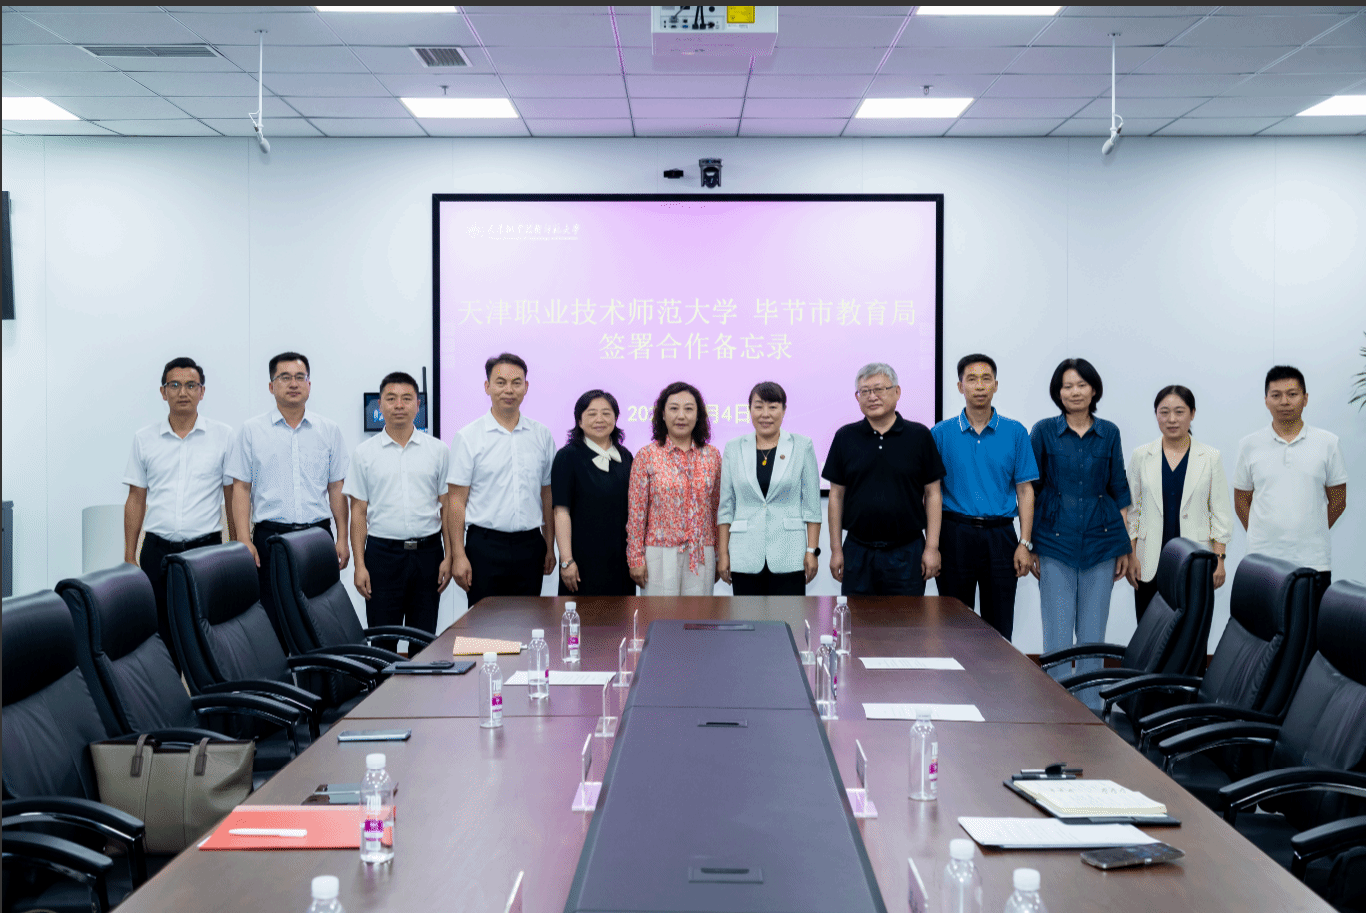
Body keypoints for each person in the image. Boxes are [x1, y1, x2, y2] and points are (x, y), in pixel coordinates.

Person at [1029, 357, 1132, 712]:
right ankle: (1057, 711)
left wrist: (1124, 547)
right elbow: (1031, 490)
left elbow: (1119, 489)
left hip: (1102, 542)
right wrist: (1029, 544)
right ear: (1058, 392)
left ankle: (1091, 713)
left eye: (1081, 385)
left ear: (1094, 390)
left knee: (1092, 636)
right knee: (1057, 635)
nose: (1075, 392)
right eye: (1067, 386)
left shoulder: (1109, 432)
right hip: (1053, 541)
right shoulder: (1044, 431)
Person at [227, 351, 349, 646]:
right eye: (284, 378)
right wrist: (243, 539)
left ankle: (320, 676)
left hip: (317, 536)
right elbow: (241, 488)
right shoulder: (252, 431)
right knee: (272, 620)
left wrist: (342, 538)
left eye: (299, 377)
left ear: (309, 384)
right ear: (271, 386)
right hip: (270, 539)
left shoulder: (329, 430)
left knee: (321, 620)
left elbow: (337, 488)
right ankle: (279, 676)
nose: (293, 384)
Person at [123, 357, 235, 666]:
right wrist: (129, 555)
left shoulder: (224, 436)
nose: (182, 392)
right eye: (174, 385)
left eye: (190, 385)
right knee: (159, 639)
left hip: (206, 551)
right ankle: (166, 695)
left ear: (202, 391)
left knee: (206, 639)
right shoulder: (144, 439)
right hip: (157, 551)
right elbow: (136, 498)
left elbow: (231, 495)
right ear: (163, 392)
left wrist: (236, 545)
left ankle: (205, 696)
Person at [930, 354, 1038, 639]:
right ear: (960, 386)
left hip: (1000, 537)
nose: (979, 386)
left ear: (996, 385)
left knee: (999, 626)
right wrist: (932, 545)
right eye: (972, 379)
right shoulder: (940, 433)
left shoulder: (1015, 432)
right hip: (954, 536)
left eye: (986, 379)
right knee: (953, 626)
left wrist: (1024, 543)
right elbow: (931, 493)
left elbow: (1025, 490)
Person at [344, 371, 452, 653]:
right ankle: (384, 685)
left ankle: (421, 684)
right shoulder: (364, 454)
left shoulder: (438, 451)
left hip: (428, 555)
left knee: (423, 640)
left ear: (418, 405)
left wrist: (450, 555)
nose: (399, 405)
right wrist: (359, 565)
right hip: (382, 556)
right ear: (380, 405)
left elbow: (447, 508)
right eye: (391, 399)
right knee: (382, 642)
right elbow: (358, 512)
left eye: (407, 398)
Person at [823, 362, 945, 597]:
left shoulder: (919, 436)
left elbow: (933, 494)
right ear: (857, 398)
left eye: (879, 389)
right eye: (865, 391)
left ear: (897, 392)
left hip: (907, 551)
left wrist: (932, 547)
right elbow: (836, 496)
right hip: (857, 550)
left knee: (906, 618)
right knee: (858, 618)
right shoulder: (845, 437)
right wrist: (836, 549)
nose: (872, 397)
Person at [446, 353, 556, 608]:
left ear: (526, 387)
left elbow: (547, 495)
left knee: (529, 620)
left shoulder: (541, 435)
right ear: (487, 386)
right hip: (484, 547)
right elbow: (456, 500)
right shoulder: (468, 437)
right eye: (501, 382)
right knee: (484, 625)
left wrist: (549, 546)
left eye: (516, 383)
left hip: (530, 546)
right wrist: (459, 555)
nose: (509, 390)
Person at [1233, 366, 1348, 608]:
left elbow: (1338, 500)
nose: (1284, 402)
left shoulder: (1328, 443)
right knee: (1262, 627)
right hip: (1261, 561)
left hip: (1313, 562)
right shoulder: (1249, 445)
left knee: (1309, 627)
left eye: (1292, 394)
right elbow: (1241, 500)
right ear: (1266, 401)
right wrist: (1262, 533)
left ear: (1305, 398)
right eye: (1276, 395)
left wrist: (1311, 529)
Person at [1125, 385, 1232, 619]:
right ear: (1156, 415)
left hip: (1196, 561)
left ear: (1192, 413)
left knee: (1192, 634)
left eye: (1179, 412)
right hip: (1148, 563)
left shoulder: (1210, 457)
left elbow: (1220, 513)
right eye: (1164, 412)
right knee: (1150, 634)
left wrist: (1220, 559)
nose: (1171, 419)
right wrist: (1131, 555)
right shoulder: (1141, 455)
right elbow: (1132, 511)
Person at [717, 382, 822, 596]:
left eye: (773, 407)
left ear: (784, 410)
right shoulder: (733, 448)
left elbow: (812, 506)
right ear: (749, 410)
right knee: (746, 615)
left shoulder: (802, 446)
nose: (765, 414)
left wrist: (812, 550)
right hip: (744, 554)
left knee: (789, 614)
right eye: (758, 406)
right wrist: (724, 553)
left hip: (789, 553)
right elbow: (726, 507)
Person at [626, 381, 723, 596]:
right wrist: (635, 557)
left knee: (698, 616)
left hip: (701, 553)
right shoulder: (647, 455)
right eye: (674, 408)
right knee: (660, 615)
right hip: (659, 553)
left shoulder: (712, 456)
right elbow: (637, 513)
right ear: (662, 414)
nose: (681, 416)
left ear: (698, 415)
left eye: (688, 409)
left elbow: (717, 508)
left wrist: (719, 555)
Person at [551, 389, 635, 597]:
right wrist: (566, 560)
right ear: (579, 421)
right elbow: (561, 512)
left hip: (621, 561)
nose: (600, 419)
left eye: (606, 413)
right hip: (582, 562)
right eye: (592, 413)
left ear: (615, 418)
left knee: (622, 614)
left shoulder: (625, 457)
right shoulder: (567, 457)